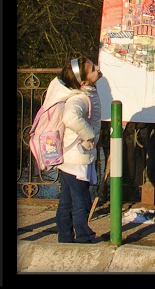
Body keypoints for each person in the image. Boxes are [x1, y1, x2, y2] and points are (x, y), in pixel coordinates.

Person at [44, 55, 103, 243]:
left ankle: (65, 236)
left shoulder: (86, 93)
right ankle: (83, 235)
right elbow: (70, 118)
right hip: (77, 158)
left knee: (67, 202)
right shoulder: (79, 98)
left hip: (71, 158)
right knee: (81, 201)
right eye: (93, 69)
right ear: (84, 81)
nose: (98, 69)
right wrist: (90, 134)